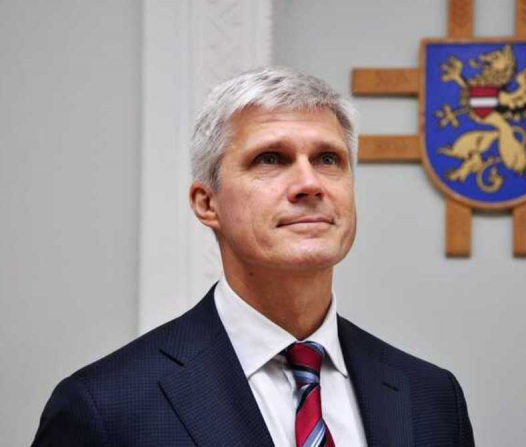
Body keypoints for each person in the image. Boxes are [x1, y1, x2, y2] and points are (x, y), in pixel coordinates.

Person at [32, 67, 475, 446]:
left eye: (327, 159)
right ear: (207, 203)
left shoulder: (432, 398)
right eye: (270, 159)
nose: (310, 184)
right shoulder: (105, 408)